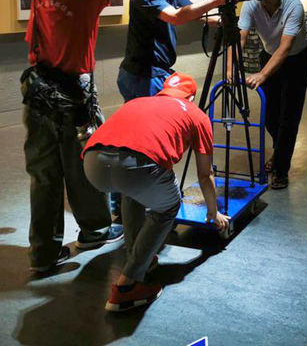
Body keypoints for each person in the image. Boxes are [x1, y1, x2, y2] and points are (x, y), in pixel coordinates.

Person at [21, 0, 192, 274]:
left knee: (44, 174)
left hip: (38, 93)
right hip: (70, 95)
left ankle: (43, 252)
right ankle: (96, 230)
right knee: (84, 162)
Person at [82, 72, 229, 312]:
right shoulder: (197, 115)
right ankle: (126, 287)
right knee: (168, 206)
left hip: (92, 164)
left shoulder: (139, 101)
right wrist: (213, 213)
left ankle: (140, 257)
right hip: (135, 168)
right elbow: (205, 175)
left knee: (132, 191)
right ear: (191, 97)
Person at [117, 0, 225, 102]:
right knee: (154, 117)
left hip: (156, 72)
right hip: (143, 75)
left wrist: (222, 20)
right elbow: (176, 17)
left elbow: (196, 14)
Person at [238, 0, 307, 190]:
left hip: (296, 60)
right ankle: (279, 152)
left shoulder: (293, 6)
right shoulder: (251, 3)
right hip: (269, 55)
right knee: (270, 115)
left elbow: (285, 47)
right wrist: (231, 67)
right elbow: (240, 37)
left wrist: (262, 74)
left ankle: (280, 169)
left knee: (289, 116)